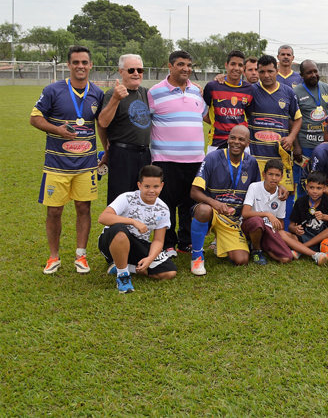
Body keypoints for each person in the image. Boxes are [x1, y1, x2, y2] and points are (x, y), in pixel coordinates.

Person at [31, 46, 105, 274]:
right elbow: (35, 118)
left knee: (84, 208)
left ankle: (81, 256)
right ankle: (53, 257)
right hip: (56, 165)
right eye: (75, 62)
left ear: (91, 65)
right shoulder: (53, 90)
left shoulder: (97, 93)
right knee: (54, 211)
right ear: (68, 65)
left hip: (86, 165)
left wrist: (107, 150)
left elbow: (101, 123)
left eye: (84, 62)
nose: (80, 66)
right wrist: (57, 130)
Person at [148, 50, 207, 256]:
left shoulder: (196, 92)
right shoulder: (154, 92)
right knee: (167, 202)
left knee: (190, 202)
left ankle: (185, 241)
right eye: (181, 64)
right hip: (166, 159)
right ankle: (167, 242)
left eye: (189, 65)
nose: (186, 69)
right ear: (170, 66)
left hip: (196, 160)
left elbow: (206, 117)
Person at [189, 126, 261, 275]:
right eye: (233, 138)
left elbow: (259, 191)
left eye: (241, 139)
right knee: (203, 210)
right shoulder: (212, 158)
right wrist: (213, 203)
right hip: (213, 213)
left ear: (248, 143)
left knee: (241, 260)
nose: (236, 142)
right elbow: (194, 192)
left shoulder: (252, 163)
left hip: (233, 220)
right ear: (228, 139)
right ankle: (197, 256)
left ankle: (222, 241)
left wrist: (279, 188)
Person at [97, 165, 177, 293]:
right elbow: (103, 218)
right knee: (119, 229)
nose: (151, 190)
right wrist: (133, 222)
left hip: (138, 244)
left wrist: (150, 259)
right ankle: (123, 276)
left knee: (169, 272)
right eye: (147, 186)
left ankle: (125, 267)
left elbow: (158, 240)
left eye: (155, 187)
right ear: (139, 185)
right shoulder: (127, 198)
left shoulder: (163, 209)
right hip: (111, 241)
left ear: (162, 186)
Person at [240, 159, 328, 266]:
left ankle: (263, 246)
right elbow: (245, 213)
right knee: (258, 222)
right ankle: (256, 250)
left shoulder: (282, 194)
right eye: (270, 174)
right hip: (252, 226)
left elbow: (280, 222)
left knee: (286, 258)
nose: (273, 178)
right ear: (264, 175)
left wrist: (276, 232)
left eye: (277, 175)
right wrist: (268, 214)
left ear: (281, 177)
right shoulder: (254, 187)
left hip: (269, 231)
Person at [247, 54, 302, 218]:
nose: (266, 75)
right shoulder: (251, 91)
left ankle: (282, 233)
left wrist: (291, 137)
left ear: (277, 70)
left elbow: (298, 119)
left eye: (270, 71)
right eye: (262, 72)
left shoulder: (288, 92)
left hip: (280, 156)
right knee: (255, 196)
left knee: (285, 195)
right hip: (257, 154)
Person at [97, 54, 152, 204]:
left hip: (145, 154)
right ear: (121, 72)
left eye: (140, 70)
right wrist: (115, 98)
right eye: (131, 70)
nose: (136, 73)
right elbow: (102, 122)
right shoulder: (112, 93)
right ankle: (118, 228)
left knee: (143, 199)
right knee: (121, 200)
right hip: (123, 154)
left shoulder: (146, 93)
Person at [293, 59, 328, 198]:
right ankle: (303, 212)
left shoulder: (326, 88)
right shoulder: (296, 92)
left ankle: (322, 213)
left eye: (315, 71)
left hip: (324, 145)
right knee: (304, 181)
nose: (313, 75)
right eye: (309, 72)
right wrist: (296, 146)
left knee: (323, 180)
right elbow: (292, 120)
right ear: (302, 75)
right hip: (305, 145)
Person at [202, 50, 254, 153]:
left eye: (240, 65)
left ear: (243, 68)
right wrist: (217, 123)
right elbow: (202, 111)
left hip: (241, 142)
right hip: (216, 142)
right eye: (233, 64)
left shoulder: (249, 89)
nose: (236, 68)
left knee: (242, 169)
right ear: (226, 65)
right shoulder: (212, 86)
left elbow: (247, 114)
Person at [288, 171, 328, 258]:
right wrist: (295, 229)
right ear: (306, 187)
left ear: (324, 189)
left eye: (318, 188)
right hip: (305, 236)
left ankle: (301, 249)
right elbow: (290, 226)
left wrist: (324, 217)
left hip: (324, 239)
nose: (315, 191)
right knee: (281, 233)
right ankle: (309, 251)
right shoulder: (300, 201)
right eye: (311, 187)